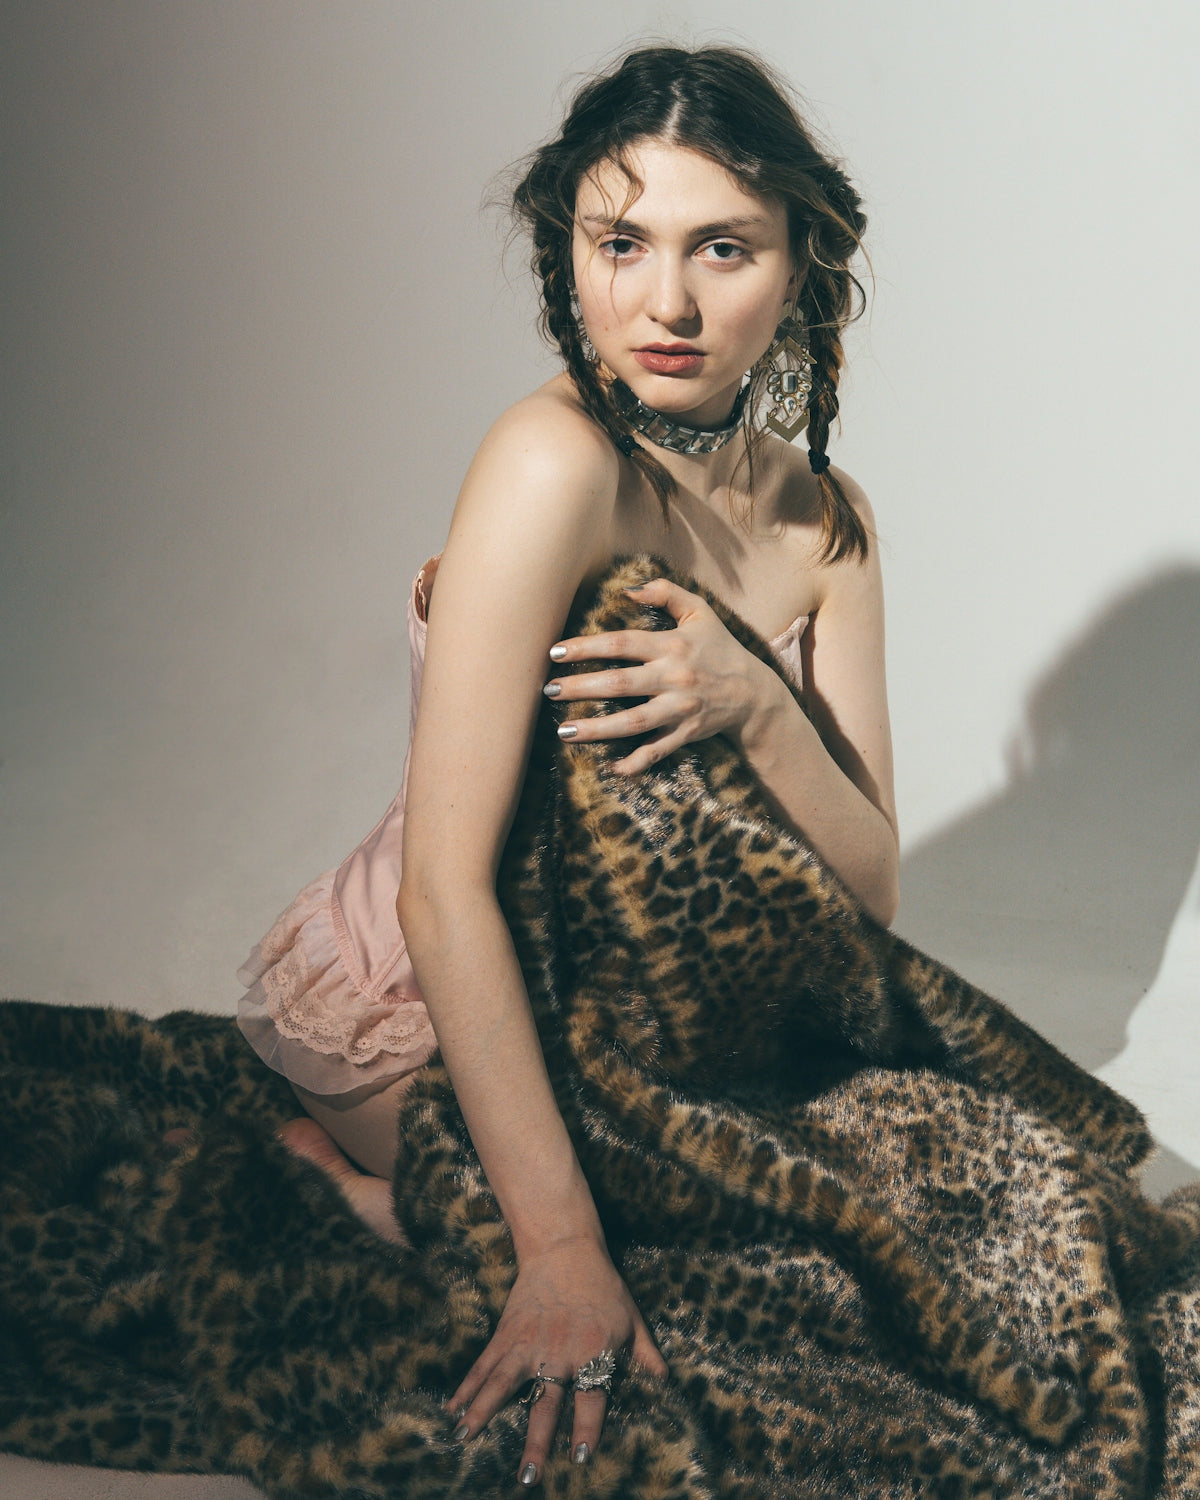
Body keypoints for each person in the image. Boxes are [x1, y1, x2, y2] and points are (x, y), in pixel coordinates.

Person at [237, 43, 898, 1488]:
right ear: (571, 255)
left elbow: (870, 890)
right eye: (623, 244)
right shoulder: (552, 463)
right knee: (678, 1315)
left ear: (798, 263)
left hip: (649, 1023)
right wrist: (559, 1245)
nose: (666, 303)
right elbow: (442, 890)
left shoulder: (825, 519)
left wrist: (753, 699)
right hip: (413, 997)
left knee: (878, 1249)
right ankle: (349, 1191)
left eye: (722, 247)